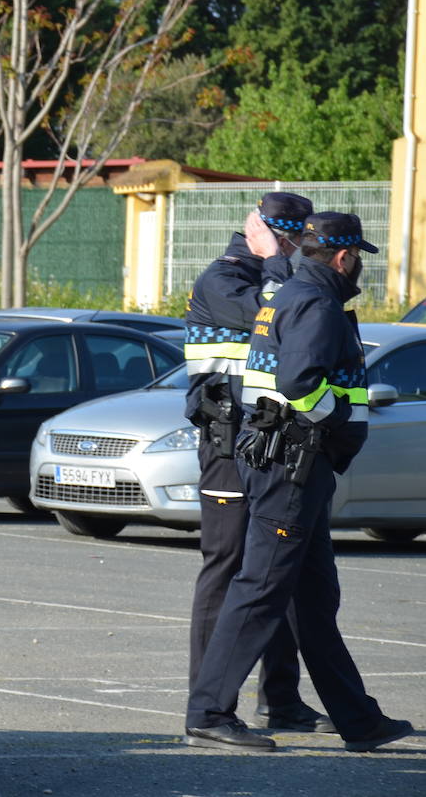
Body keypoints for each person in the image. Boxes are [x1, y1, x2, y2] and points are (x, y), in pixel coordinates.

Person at [184, 212, 415, 753]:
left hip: (295, 468)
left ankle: (359, 720)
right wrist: (335, 415)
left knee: (314, 600)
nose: (359, 266)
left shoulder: (291, 293)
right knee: (259, 590)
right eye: (357, 256)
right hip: (293, 468)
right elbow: (298, 381)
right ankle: (209, 712)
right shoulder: (316, 302)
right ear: (342, 257)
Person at [183, 191, 333, 735]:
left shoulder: (280, 275)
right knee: (226, 567)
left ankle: (281, 699)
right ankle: (207, 699)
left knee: (276, 571)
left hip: (266, 443)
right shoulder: (223, 279)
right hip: (226, 442)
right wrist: (272, 257)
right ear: (264, 232)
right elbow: (276, 312)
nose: (298, 248)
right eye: (291, 237)